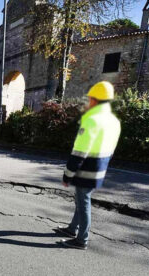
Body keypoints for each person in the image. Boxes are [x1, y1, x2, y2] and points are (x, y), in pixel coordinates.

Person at [56, 81, 121, 250]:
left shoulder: (92, 120)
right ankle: (72, 229)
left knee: (83, 203)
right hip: (100, 168)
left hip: (86, 170)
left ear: (94, 100)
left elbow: (79, 151)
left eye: (90, 98)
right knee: (80, 200)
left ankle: (81, 239)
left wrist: (68, 174)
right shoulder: (114, 121)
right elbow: (111, 149)